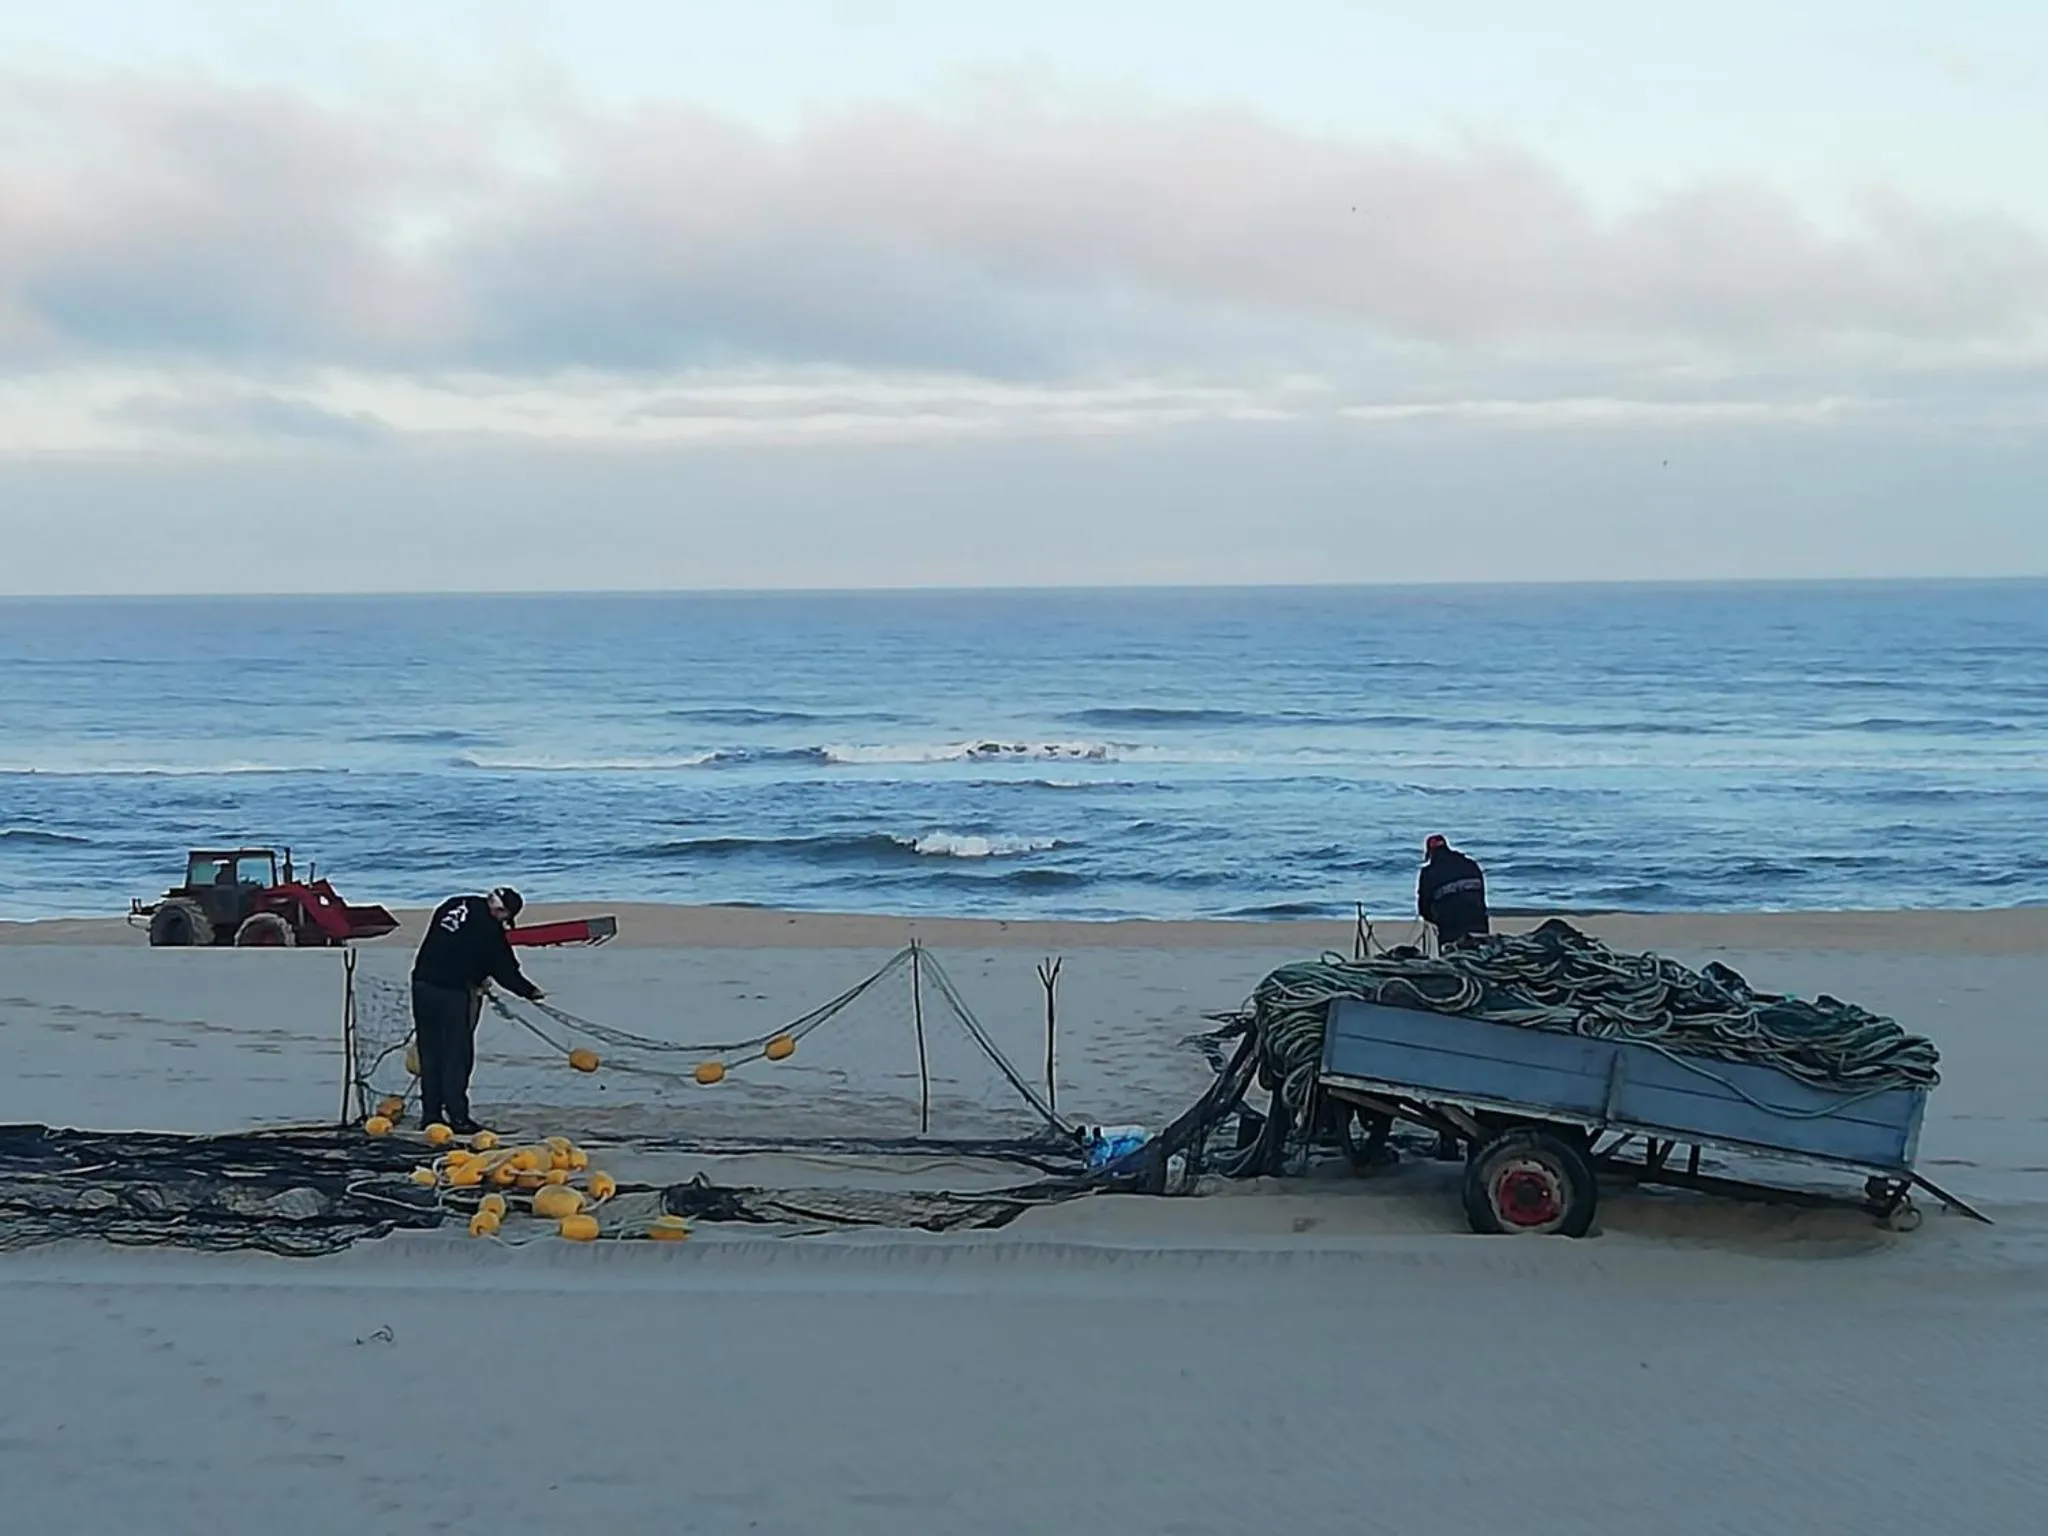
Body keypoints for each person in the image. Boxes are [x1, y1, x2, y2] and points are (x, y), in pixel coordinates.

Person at [410, 886, 544, 1134]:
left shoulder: (453, 903)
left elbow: (456, 945)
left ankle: (430, 1116)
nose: (504, 923)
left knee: (430, 1051)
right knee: (456, 1054)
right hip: (452, 991)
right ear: (501, 910)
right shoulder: (489, 929)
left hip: (422, 984)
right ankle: (458, 1117)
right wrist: (529, 991)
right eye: (505, 917)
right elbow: (503, 968)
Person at [1417, 834, 1490, 949]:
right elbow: (1481, 894)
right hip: (1477, 918)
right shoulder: (1471, 864)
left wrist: (1434, 919)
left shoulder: (1428, 873)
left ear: (1430, 853)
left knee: (1451, 957)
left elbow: (1423, 908)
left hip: (1450, 923)